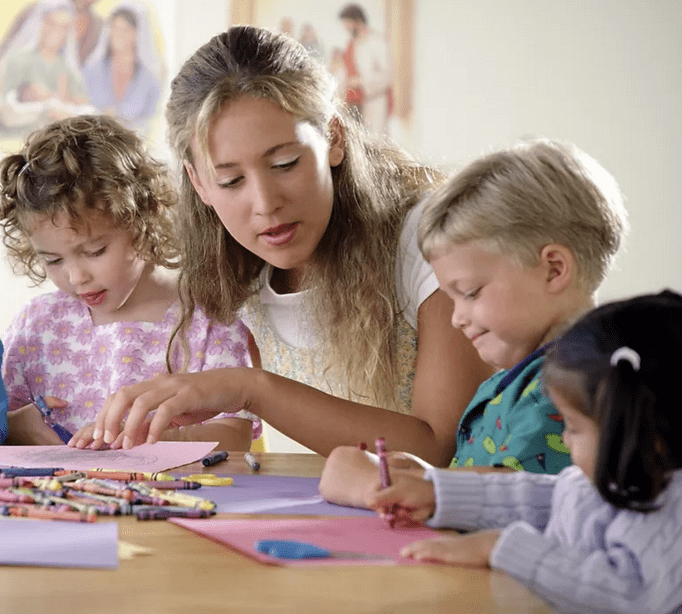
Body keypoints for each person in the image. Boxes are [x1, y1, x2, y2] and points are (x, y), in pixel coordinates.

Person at [85, 25, 491, 461]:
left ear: (334, 139)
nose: (265, 204)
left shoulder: (429, 238)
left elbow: (437, 449)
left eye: (285, 163)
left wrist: (250, 389)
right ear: (199, 183)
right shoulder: (230, 275)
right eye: (231, 180)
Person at [319, 138, 628, 508]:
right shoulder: (515, 378)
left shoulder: (571, 386)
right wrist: (415, 471)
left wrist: (387, 484)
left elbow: (522, 495)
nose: (457, 318)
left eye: (470, 292)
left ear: (554, 269)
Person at [363, 290, 682, 614]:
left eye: (573, 427)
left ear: (647, 433)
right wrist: (437, 493)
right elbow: (543, 499)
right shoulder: (613, 476)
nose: (564, 438)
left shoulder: (672, 514)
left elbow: (632, 594)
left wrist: (502, 547)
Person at [0, 114, 258, 449]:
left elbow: (234, 436)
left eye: (95, 251)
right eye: (53, 260)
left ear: (144, 217)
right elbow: (6, 426)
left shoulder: (208, 320)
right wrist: (19, 426)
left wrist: (143, 440)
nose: (77, 277)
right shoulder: (37, 325)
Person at [0, 0, 93, 131]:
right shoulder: (18, 60)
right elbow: (6, 110)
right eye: (51, 24)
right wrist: (41, 106)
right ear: (39, 24)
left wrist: (68, 102)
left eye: (64, 27)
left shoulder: (67, 67)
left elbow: (86, 108)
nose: (57, 31)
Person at [83, 1, 163, 134]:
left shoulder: (150, 79)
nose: (118, 34)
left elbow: (151, 123)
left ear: (137, 34)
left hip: (133, 149)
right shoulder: (92, 69)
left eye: (125, 30)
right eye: (114, 27)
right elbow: (78, 109)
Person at [337, 3, 392, 135]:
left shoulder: (377, 42)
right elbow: (345, 72)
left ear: (357, 22)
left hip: (374, 101)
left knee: (375, 144)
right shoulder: (352, 45)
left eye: (348, 24)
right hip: (353, 105)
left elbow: (387, 76)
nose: (346, 28)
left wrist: (360, 81)